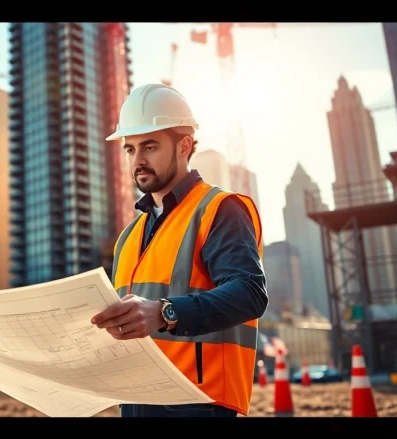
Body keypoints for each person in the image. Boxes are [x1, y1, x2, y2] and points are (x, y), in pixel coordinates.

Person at [90, 84, 268, 418]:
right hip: (135, 402)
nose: (138, 160)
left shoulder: (220, 208)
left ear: (184, 146)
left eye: (150, 146)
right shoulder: (128, 237)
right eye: (130, 149)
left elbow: (250, 293)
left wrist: (165, 312)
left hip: (200, 403)